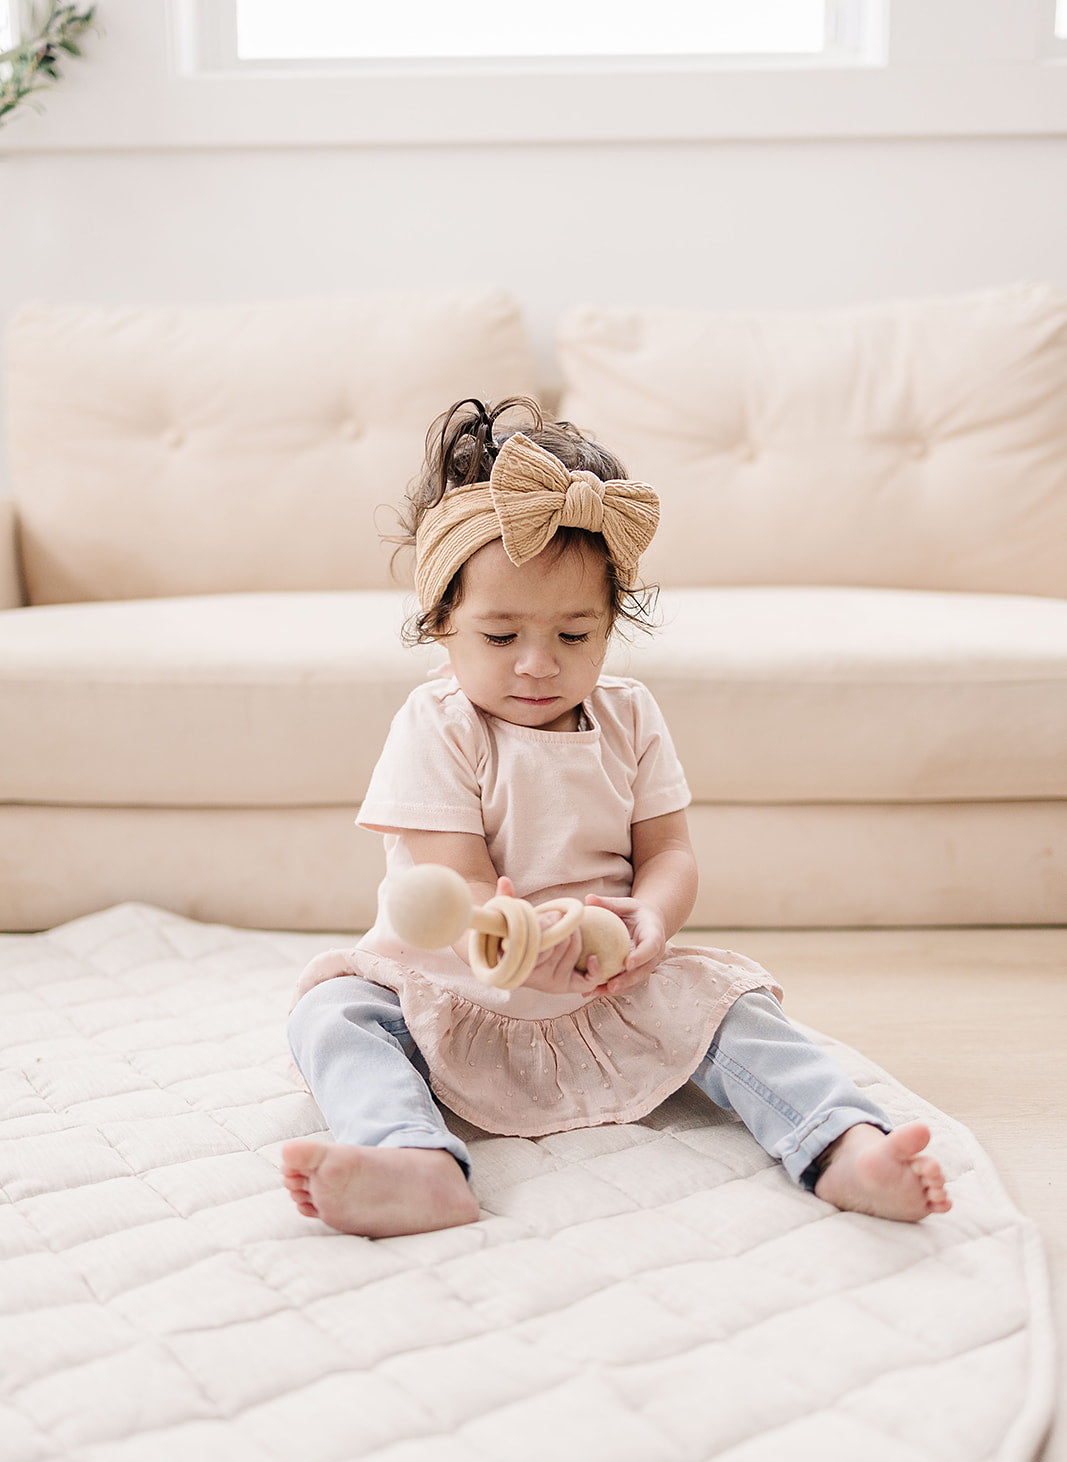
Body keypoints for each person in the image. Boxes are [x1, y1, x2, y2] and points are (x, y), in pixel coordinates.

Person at [281, 397, 951, 1238]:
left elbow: (668, 851)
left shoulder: (628, 716)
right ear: (441, 626)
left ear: (610, 626)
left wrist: (653, 922)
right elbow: (454, 881)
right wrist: (515, 939)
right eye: (498, 635)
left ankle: (843, 1145)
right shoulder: (437, 724)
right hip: (463, 979)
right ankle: (412, 1161)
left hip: (608, 982)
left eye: (574, 633)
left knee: (738, 1008)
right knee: (333, 1014)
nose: (537, 664)